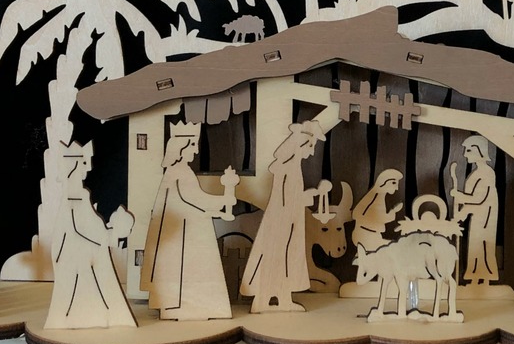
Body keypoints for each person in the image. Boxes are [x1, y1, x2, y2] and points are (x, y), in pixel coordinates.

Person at [142, 122, 239, 320]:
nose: (195, 151)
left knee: (194, 268)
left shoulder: (180, 171)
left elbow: (192, 201)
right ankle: (182, 305)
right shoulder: (180, 172)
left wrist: (217, 207)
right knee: (187, 268)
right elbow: (194, 199)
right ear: (181, 146)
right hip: (183, 235)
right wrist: (223, 200)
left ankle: (192, 305)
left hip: (189, 229)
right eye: (193, 145)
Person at [44, 141, 137, 329]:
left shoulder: (79, 195)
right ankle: (82, 316)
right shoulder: (73, 196)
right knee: (85, 283)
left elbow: (88, 223)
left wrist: (106, 233)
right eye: (84, 164)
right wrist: (106, 235)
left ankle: (96, 314)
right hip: (76, 254)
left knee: (94, 281)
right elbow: (79, 227)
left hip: (84, 249)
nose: (87, 170)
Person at [241, 121, 330, 312]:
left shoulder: (292, 167)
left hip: (288, 222)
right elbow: (286, 200)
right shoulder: (287, 169)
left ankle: (283, 298)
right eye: (310, 146)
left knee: (286, 259)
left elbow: (291, 198)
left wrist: (309, 195)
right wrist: (309, 195)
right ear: (299, 145)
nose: (311, 153)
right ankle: (263, 300)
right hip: (281, 223)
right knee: (276, 257)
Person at [450, 135, 499, 285]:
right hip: (478, 217)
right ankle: (475, 280)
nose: (465, 154)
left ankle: (485, 281)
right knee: (475, 246)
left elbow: (479, 198)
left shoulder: (487, 173)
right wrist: (463, 212)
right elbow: (473, 199)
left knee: (482, 246)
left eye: (469, 150)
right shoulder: (477, 173)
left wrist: (459, 196)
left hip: (485, 219)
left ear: (479, 151)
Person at [352, 169, 403, 253]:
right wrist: (394, 211)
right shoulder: (375, 196)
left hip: (372, 236)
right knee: (394, 248)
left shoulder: (379, 195)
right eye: (394, 183)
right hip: (366, 236)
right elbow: (380, 217)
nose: (397, 188)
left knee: (393, 247)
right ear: (384, 182)